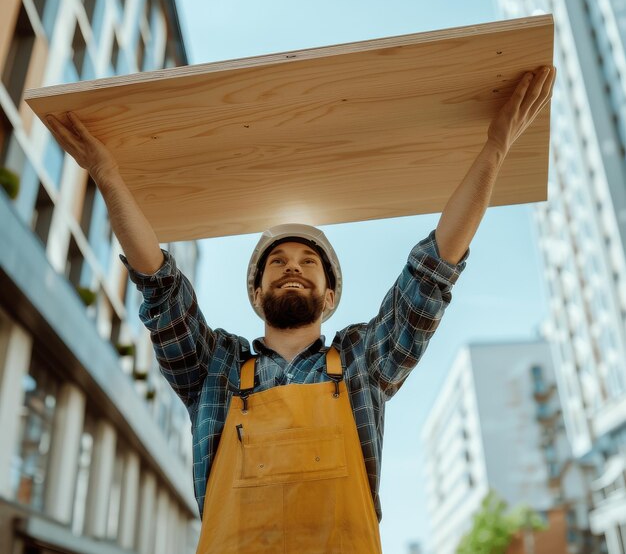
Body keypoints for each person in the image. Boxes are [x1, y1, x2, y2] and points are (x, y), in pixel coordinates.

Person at [46, 65, 556, 553]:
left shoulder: (363, 363)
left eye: (309, 261)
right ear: (257, 293)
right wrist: (107, 175)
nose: (293, 267)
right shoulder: (214, 369)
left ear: (329, 297)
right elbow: (159, 285)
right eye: (279, 262)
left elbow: (433, 269)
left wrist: (495, 149)